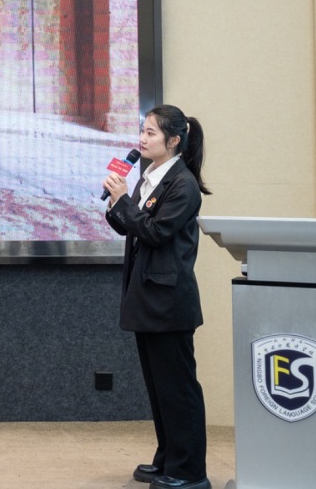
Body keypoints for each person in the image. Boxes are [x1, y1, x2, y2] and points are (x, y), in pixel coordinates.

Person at [103, 105, 212, 489]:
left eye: (150, 133)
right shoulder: (150, 176)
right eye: (142, 131)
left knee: (178, 389)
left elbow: (155, 232)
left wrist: (124, 202)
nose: (142, 139)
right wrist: (116, 204)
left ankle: (189, 472)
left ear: (174, 140)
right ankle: (167, 458)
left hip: (169, 303)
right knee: (159, 387)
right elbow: (132, 227)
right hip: (146, 298)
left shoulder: (183, 184)